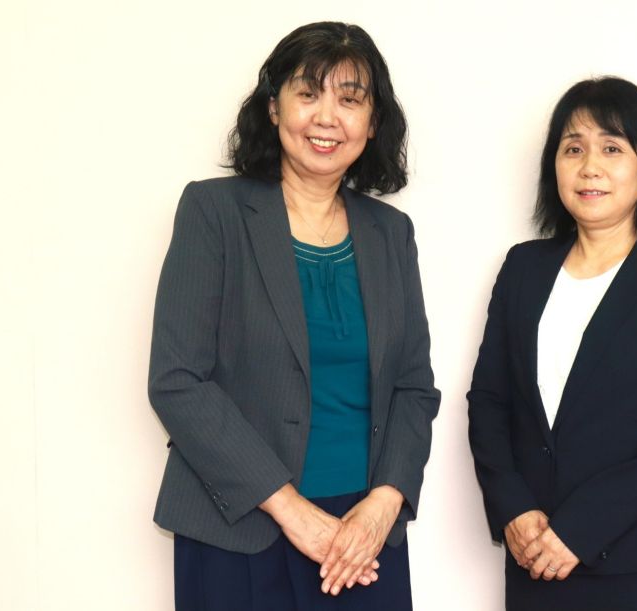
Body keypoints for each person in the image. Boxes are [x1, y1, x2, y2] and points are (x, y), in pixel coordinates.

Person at [148, 22, 440, 611]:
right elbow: (177, 381)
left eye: (350, 100)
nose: (327, 117)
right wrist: (291, 509)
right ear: (273, 107)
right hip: (239, 527)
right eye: (308, 93)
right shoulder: (214, 211)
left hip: (362, 539)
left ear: (373, 122)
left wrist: (385, 503)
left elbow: (414, 387)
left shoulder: (391, 233)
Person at [467, 77, 637, 611]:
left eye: (612, 148)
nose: (590, 166)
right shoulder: (522, 268)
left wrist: (579, 530)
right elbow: (490, 402)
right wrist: (513, 508)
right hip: (533, 560)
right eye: (573, 148)